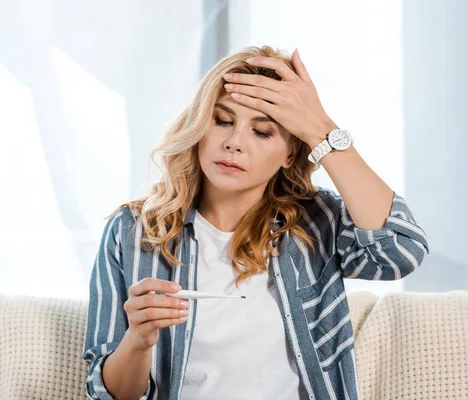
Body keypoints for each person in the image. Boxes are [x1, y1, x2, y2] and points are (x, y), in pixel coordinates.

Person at [81, 45, 429, 400]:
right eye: (222, 120)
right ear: (200, 124)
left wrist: (320, 128)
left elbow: (399, 252)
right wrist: (138, 341)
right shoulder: (131, 232)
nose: (234, 143)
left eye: (262, 132)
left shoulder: (317, 222)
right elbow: (107, 394)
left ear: (291, 152)